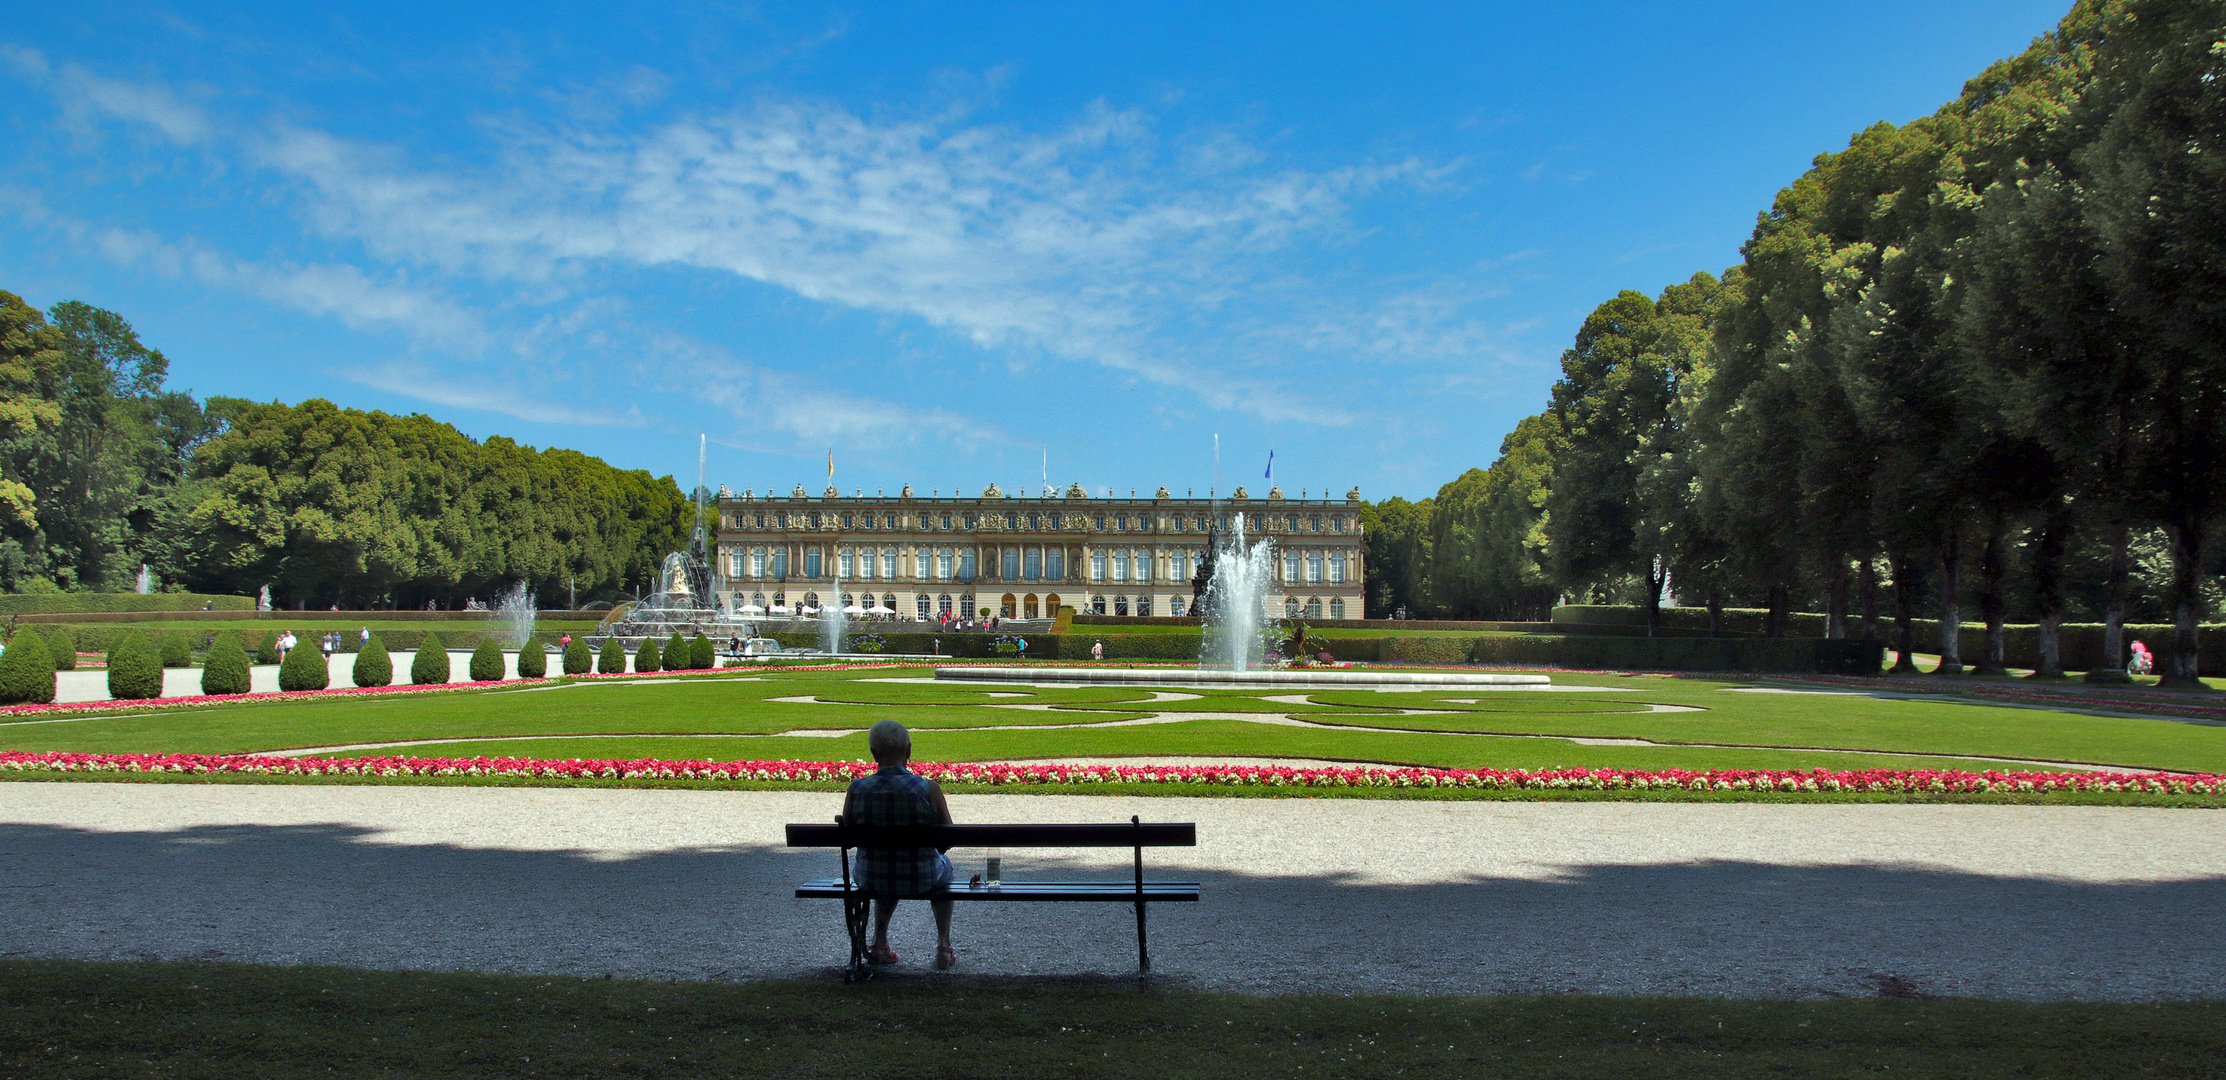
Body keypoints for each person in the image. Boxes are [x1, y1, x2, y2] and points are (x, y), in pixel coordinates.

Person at [842, 720, 956, 970]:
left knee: (885, 863)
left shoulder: (858, 789)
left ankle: (880, 942)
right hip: (922, 875)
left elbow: (848, 839)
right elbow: (947, 840)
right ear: (908, 751)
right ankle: (943, 945)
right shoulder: (929, 789)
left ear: (873, 753)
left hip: (872, 876)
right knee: (945, 869)